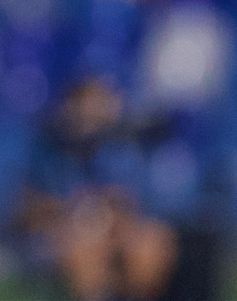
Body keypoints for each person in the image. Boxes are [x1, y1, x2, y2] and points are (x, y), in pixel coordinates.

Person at [19, 75, 179, 301]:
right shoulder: (46, 147)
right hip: (63, 231)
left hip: (115, 227)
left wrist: (111, 217)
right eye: (83, 104)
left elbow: (134, 203)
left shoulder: (122, 147)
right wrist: (76, 212)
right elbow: (31, 208)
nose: (90, 113)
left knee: (151, 242)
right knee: (84, 248)